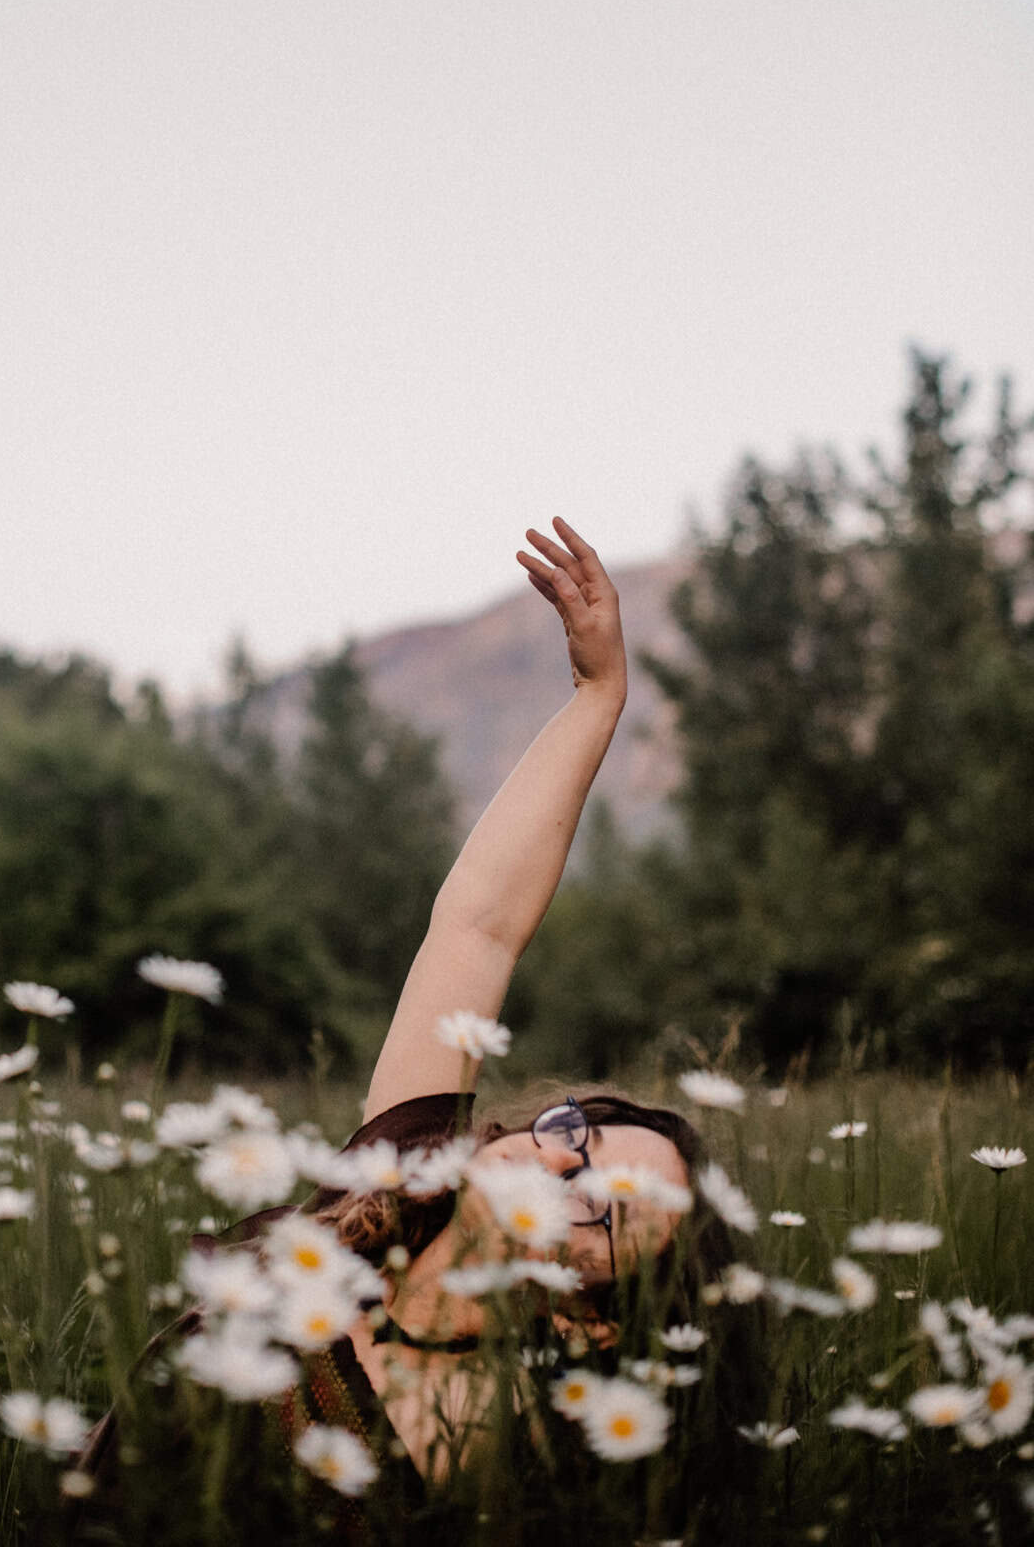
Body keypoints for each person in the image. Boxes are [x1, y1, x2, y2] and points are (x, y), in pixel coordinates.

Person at [79, 520, 751, 1519]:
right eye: (579, 1135)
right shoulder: (397, 1183)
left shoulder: (488, 1460)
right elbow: (477, 925)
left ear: (594, 1326)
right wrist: (598, 696)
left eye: (601, 1208)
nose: (554, 1163)